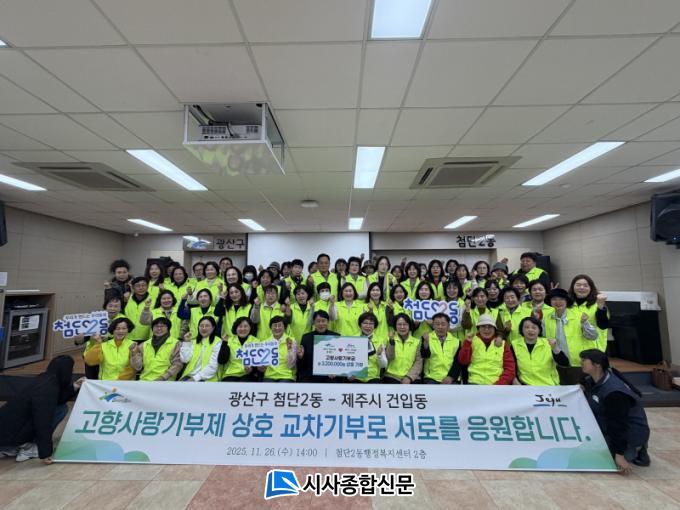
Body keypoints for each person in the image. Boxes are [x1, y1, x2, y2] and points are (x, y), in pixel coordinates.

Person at [0, 356, 83, 463]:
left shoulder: (45, 379)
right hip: (11, 434)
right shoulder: (47, 390)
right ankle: (30, 448)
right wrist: (45, 452)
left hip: (6, 431)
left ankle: (12, 446)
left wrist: (75, 386)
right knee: (60, 410)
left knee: (60, 407)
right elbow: (43, 421)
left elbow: (57, 399)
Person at [580, 349, 651, 473]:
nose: (580, 363)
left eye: (584, 360)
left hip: (629, 433)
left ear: (597, 364)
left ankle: (637, 449)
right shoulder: (592, 380)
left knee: (595, 456)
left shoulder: (614, 393)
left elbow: (618, 425)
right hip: (607, 425)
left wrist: (619, 454)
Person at [545, 288, 601, 385]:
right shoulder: (546, 318)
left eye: (561, 299)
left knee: (581, 391)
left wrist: (585, 323)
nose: (558, 302)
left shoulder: (579, 316)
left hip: (579, 364)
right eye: (554, 299)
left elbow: (593, 336)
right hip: (556, 364)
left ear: (567, 301)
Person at [74, 295, 126, 380]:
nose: (113, 308)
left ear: (120, 308)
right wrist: (79, 339)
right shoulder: (96, 318)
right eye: (110, 306)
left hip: (110, 356)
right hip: (92, 353)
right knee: (91, 379)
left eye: (116, 306)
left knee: (105, 379)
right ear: (105, 307)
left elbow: (123, 339)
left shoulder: (124, 320)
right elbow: (82, 339)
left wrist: (106, 339)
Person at [457, 314, 515, 385]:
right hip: (474, 383)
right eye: (483, 326)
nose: (486, 329)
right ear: (478, 329)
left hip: (497, 385)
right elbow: (463, 361)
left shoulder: (503, 344)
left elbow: (510, 369)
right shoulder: (471, 341)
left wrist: (499, 385)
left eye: (490, 327)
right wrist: (467, 343)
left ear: (494, 329)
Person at [511, 316, 568, 386]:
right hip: (525, 386)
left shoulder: (548, 343)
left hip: (548, 386)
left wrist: (555, 347)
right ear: (521, 329)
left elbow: (565, 363)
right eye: (526, 327)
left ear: (539, 330)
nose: (530, 330)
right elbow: (511, 368)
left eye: (534, 328)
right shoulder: (514, 345)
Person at [130, 317, 183, 381]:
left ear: (168, 328)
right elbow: (137, 367)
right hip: (144, 380)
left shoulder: (176, 344)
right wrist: (134, 353)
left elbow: (178, 365)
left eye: (162, 326)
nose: (159, 328)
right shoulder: (144, 344)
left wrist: (163, 378)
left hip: (166, 382)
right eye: (156, 326)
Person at [569, 274, 609, 352]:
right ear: (572, 287)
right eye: (578, 285)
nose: (581, 288)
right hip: (572, 349)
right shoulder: (567, 304)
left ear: (591, 288)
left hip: (593, 350)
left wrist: (600, 307)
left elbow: (603, 325)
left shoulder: (598, 304)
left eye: (585, 285)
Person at [298, 311, 340, 383]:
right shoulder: (306, 337)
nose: (321, 324)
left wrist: (335, 371)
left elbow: (339, 360)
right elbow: (302, 365)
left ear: (328, 322)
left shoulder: (336, 337)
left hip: (329, 377)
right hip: (310, 377)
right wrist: (300, 357)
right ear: (314, 323)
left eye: (323, 321)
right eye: (318, 321)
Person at [421, 313, 461, 384]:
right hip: (431, 378)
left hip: (451, 379)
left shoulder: (456, 342)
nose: (440, 327)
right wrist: (426, 343)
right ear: (433, 325)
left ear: (448, 326)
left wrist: (451, 377)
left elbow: (458, 362)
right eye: (437, 324)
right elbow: (424, 355)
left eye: (443, 324)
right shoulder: (426, 338)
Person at [179, 316, 222, 382]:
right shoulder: (194, 341)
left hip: (207, 379)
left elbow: (213, 366)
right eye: (201, 326)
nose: (203, 328)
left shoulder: (218, 342)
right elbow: (185, 359)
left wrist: (195, 378)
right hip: (189, 376)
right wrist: (186, 342)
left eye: (207, 326)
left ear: (213, 328)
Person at [350, 312, 388, 383]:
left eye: (371, 324)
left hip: (373, 377)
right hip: (356, 377)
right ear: (360, 324)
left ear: (375, 326)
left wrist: (379, 355)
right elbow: (348, 360)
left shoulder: (380, 340)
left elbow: (383, 365)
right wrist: (349, 374)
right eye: (365, 323)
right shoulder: (353, 339)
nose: (368, 326)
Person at [217, 317, 259, 381]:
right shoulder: (229, 341)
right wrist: (224, 343)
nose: (243, 329)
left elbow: (258, 362)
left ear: (250, 328)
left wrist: (252, 369)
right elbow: (221, 361)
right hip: (231, 374)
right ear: (236, 328)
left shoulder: (256, 341)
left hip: (248, 374)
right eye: (240, 326)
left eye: (245, 326)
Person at [384, 314, 422, 384]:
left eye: (405, 324)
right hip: (392, 376)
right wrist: (391, 341)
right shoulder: (389, 339)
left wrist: (409, 377)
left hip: (412, 377)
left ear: (409, 326)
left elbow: (418, 362)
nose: (402, 327)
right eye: (399, 324)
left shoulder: (417, 342)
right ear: (395, 326)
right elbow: (389, 357)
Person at [260, 316, 300, 382]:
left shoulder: (291, 341)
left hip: (287, 376)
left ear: (285, 327)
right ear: (270, 327)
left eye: (280, 325)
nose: (277, 328)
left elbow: (291, 365)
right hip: (269, 376)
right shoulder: (264, 343)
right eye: (274, 325)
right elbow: (261, 368)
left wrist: (289, 350)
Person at [124, 276, 151, 343]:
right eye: (137, 286)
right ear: (133, 287)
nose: (141, 288)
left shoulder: (153, 300)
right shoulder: (127, 299)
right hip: (128, 336)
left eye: (143, 285)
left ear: (147, 286)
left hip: (147, 338)